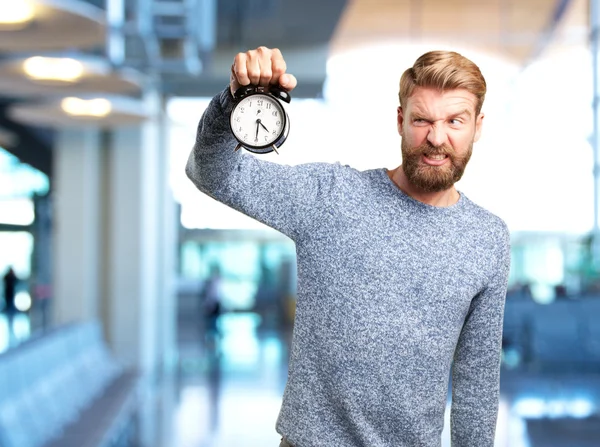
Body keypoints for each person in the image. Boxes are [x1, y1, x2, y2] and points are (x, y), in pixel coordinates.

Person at [186, 47, 510, 447]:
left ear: (477, 126)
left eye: (454, 121)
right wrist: (232, 100)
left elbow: (476, 385)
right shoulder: (332, 197)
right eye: (422, 119)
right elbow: (211, 172)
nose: (436, 138)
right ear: (400, 120)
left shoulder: (488, 238)